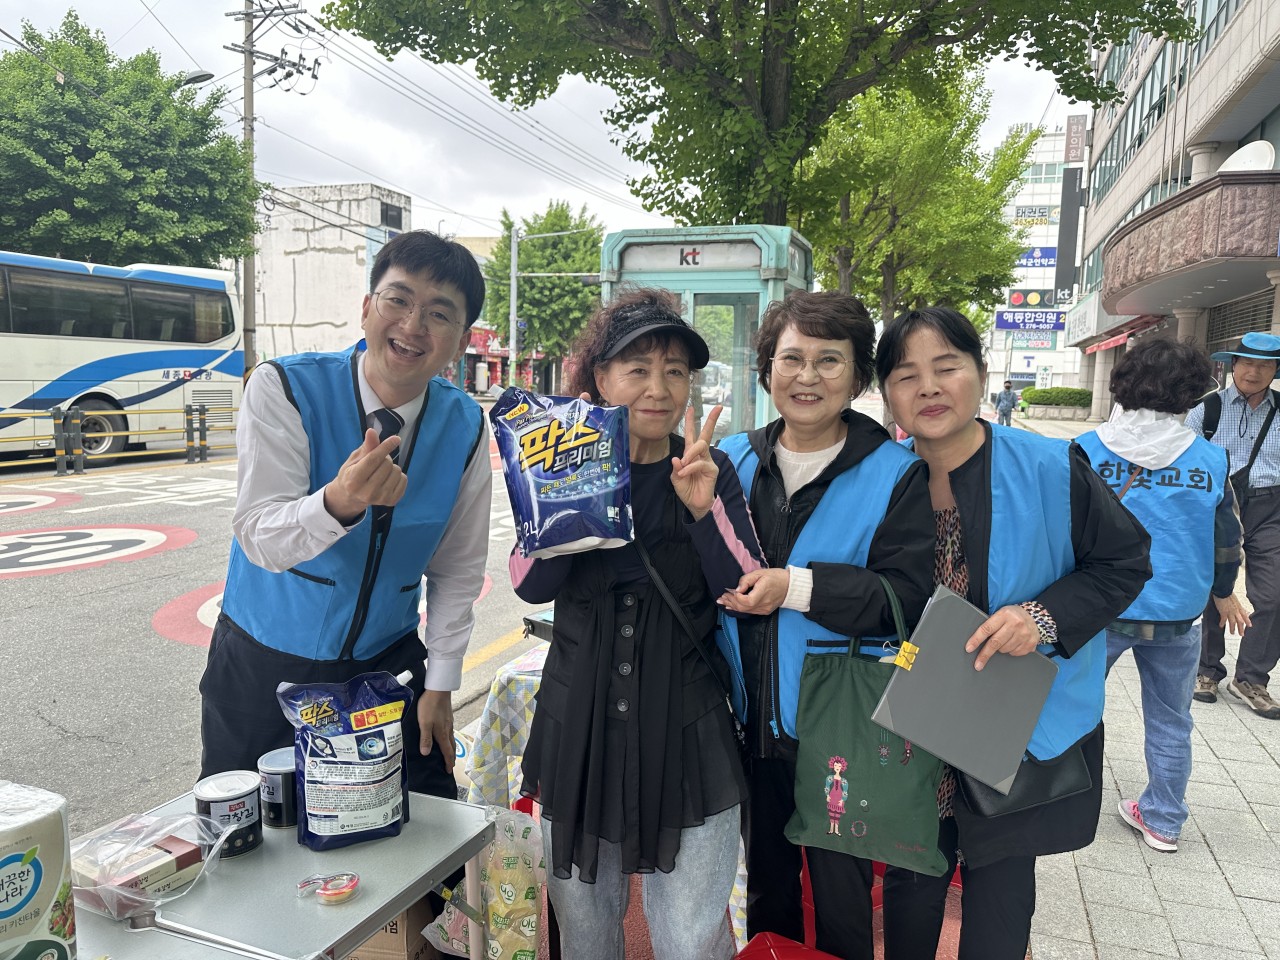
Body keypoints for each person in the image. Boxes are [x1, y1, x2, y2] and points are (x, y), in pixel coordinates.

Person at [876, 307, 1151, 960]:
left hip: (1010, 726)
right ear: (886, 392)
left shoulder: (1050, 467)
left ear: (980, 372)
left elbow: (1124, 562)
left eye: (947, 367)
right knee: (910, 888)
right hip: (912, 722)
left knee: (1000, 899)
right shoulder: (879, 478)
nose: (928, 387)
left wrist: (1042, 618)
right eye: (906, 374)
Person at [510, 289, 765, 960]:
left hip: (688, 726)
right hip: (580, 723)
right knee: (585, 929)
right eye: (638, 368)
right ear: (601, 378)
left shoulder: (709, 468)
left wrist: (703, 510)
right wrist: (569, 502)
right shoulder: (561, 461)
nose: (659, 388)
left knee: (690, 935)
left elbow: (746, 590)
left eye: (675, 371)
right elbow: (528, 584)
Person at [199, 230, 491, 803]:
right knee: (249, 831)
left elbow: (458, 568)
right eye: (398, 299)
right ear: (366, 308)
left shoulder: (465, 426)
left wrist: (441, 683)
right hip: (264, 662)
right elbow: (260, 535)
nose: (412, 325)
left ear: (460, 343)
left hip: (387, 667)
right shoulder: (285, 387)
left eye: (439, 314)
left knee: (420, 826)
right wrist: (338, 503)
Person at [716, 290, 935, 960]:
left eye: (829, 361)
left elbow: (907, 597)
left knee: (842, 905)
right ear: (767, 369)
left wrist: (796, 588)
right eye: (791, 359)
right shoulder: (730, 460)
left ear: (859, 376)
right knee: (767, 895)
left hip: (843, 728)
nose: (806, 376)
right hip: (748, 724)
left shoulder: (897, 474)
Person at [1076, 338, 1248, 852]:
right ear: (1191, 393)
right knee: (1172, 720)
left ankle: (1058, 800)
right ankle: (1164, 820)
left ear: (1123, 383)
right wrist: (1224, 593)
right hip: (1177, 612)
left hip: (1100, 610)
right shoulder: (1210, 460)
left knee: (1073, 704)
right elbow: (1226, 540)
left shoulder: (1086, 450)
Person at [1186, 330, 1280, 718]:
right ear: (1233, 365)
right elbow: (1185, 460)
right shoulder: (1206, 409)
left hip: (1271, 508)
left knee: (1274, 595)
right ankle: (1206, 670)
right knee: (1215, 585)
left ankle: (1252, 678)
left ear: (1275, 370)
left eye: (1264, 366)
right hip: (1216, 505)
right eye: (1247, 363)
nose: (1254, 372)